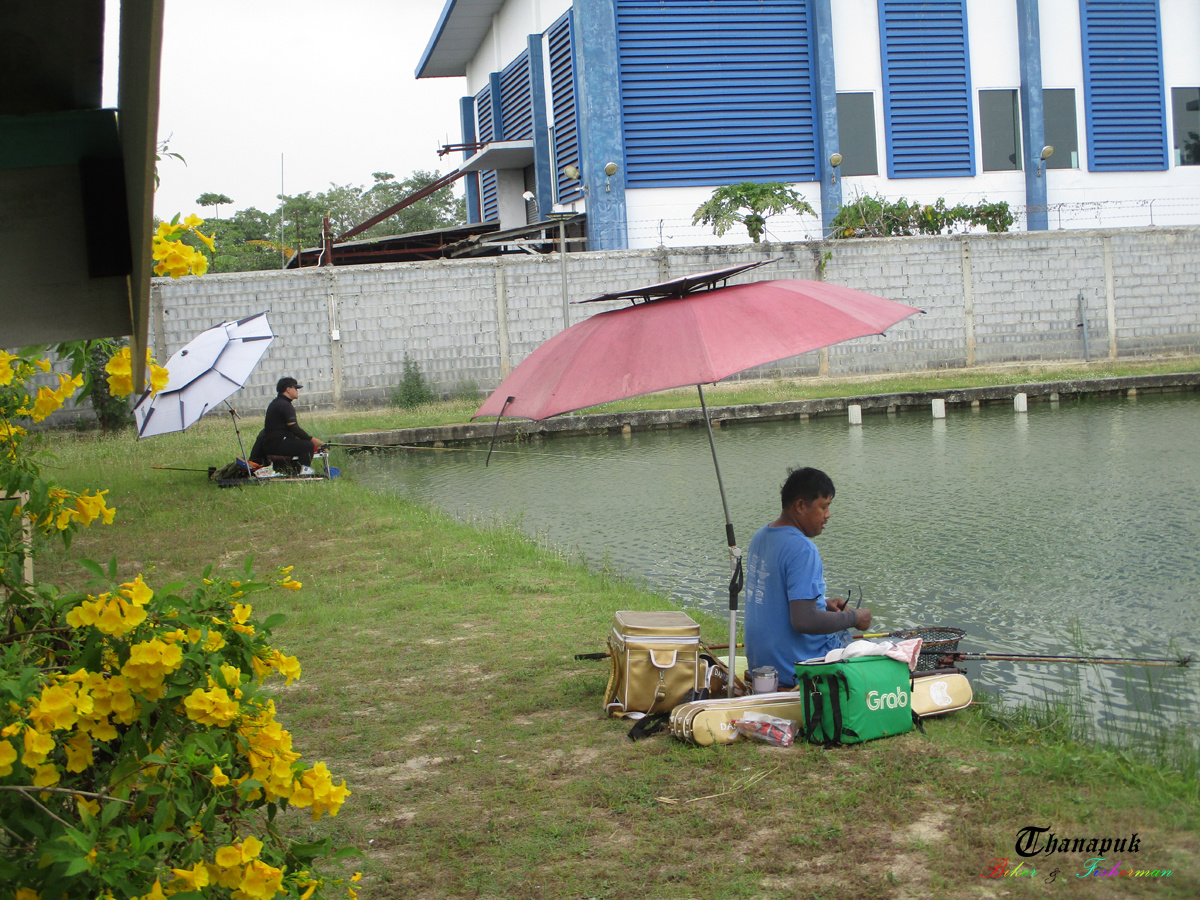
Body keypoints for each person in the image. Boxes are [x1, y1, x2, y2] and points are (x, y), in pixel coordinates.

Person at [743, 467, 872, 688]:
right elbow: (803, 620)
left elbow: (779, 600)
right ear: (801, 505)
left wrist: (822, 603)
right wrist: (855, 618)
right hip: (794, 668)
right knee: (873, 651)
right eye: (824, 507)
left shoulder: (761, 536)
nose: (828, 515)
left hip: (763, 664)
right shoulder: (802, 549)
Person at [249, 377, 324, 471]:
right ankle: (302, 473)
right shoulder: (285, 406)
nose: (297, 391)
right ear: (288, 389)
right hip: (276, 445)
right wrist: (311, 439)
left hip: (270, 444)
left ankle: (292, 470)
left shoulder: (277, 403)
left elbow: (283, 429)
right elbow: (294, 428)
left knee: (302, 443)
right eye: (295, 388)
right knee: (308, 446)